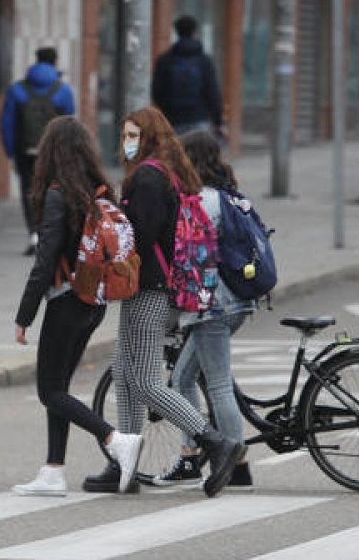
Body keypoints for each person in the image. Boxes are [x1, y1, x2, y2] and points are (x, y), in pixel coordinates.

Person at [81, 107, 244, 499]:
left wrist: (111, 219)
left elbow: (138, 234)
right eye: (123, 134)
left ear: (150, 137)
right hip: (155, 285)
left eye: (133, 134)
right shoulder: (167, 173)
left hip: (149, 286)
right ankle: (125, 462)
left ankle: (214, 441)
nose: (126, 142)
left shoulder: (149, 177)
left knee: (143, 380)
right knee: (123, 371)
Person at [11, 116, 143, 496]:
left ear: (50, 152)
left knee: (50, 391)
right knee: (60, 388)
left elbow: (44, 260)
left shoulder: (58, 195)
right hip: (94, 302)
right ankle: (53, 471)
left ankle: (115, 439)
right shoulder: (99, 191)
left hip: (66, 302)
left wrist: (24, 316)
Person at [152, 130, 255, 491]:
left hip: (213, 307)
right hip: (236, 301)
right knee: (182, 379)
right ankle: (192, 455)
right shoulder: (229, 194)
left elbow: (182, 250)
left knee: (218, 384)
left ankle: (235, 463)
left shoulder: (201, 201)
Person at [0, 47, 77, 255]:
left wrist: (10, 149)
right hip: (53, 152)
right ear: (55, 62)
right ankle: (49, 235)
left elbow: (7, 122)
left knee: (28, 190)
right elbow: (70, 123)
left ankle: (34, 234)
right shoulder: (63, 90)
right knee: (52, 191)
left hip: (24, 150)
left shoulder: (17, 90)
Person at [151, 16, 225, 139]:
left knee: (175, 156)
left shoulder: (165, 61)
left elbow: (157, 92)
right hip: (200, 119)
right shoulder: (204, 61)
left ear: (177, 32)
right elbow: (213, 93)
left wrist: (166, 112)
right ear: (194, 32)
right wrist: (218, 122)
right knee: (200, 155)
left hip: (173, 120)